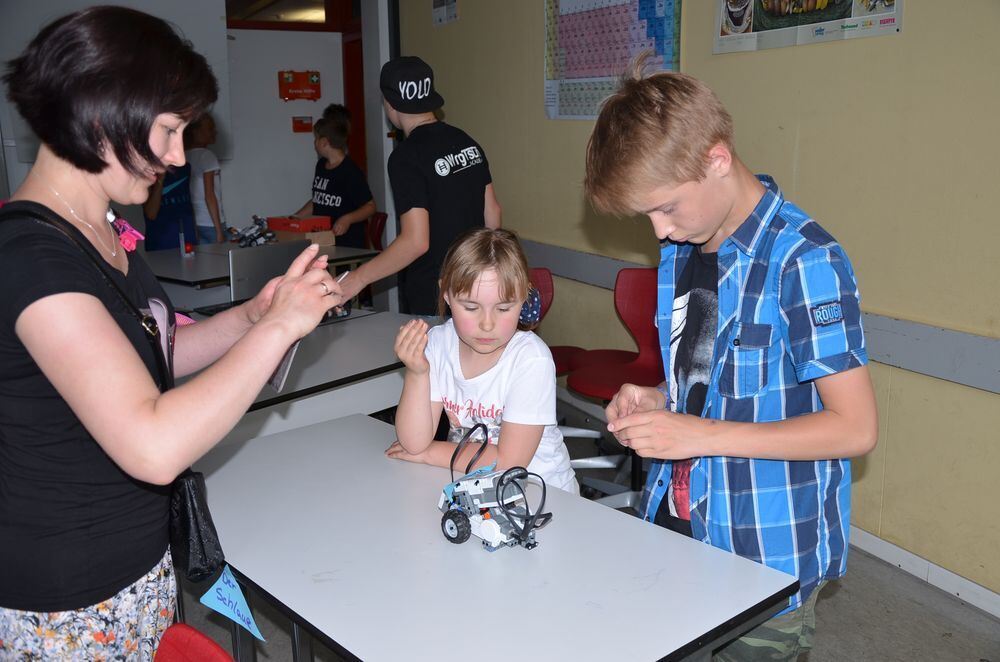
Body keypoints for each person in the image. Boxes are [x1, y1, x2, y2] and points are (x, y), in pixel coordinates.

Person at [0, 7, 344, 658]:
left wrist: (253, 317)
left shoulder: (102, 234)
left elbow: (155, 353)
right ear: (102, 112)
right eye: (168, 129)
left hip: (137, 563)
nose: (178, 155)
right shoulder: (30, 258)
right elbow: (151, 442)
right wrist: (280, 332)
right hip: (69, 600)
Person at [584, 54, 877, 661]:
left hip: (763, 548)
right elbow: (714, 384)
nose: (659, 231)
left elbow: (855, 428)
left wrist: (697, 432)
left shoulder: (805, 260)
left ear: (716, 159)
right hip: (680, 521)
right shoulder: (684, 250)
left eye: (665, 208)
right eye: (648, 217)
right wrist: (661, 402)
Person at [386, 228, 578, 493]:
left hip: (543, 494)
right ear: (446, 294)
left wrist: (431, 454)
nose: (487, 324)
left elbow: (509, 463)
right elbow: (413, 442)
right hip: (480, 488)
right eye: (471, 307)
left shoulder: (531, 359)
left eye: (503, 308)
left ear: (523, 298)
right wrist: (417, 373)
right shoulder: (439, 344)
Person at [337, 56, 503, 316]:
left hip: (433, 294)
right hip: (473, 285)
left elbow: (416, 242)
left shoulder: (405, 157)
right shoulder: (466, 141)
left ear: (390, 104)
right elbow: (492, 215)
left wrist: (357, 279)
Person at [291, 105, 375, 249]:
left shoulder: (350, 172)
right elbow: (319, 198)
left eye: (316, 139)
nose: (314, 143)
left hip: (346, 244)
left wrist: (347, 219)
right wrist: (296, 217)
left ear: (324, 143)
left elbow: (370, 207)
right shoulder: (321, 165)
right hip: (323, 239)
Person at [185, 113, 226, 244]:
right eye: (210, 129)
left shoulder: (185, 156)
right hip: (210, 222)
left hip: (195, 222)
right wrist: (219, 230)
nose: (214, 132)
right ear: (197, 132)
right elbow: (209, 195)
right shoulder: (207, 156)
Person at [142, 163, 197, 251]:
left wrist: (194, 231)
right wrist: (160, 179)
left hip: (187, 236)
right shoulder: (147, 170)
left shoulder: (185, 167)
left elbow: (188, 200)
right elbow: (151, 214)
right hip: (160, 242)